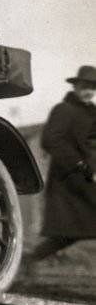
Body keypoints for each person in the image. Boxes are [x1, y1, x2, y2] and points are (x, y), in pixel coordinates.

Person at [25, 65, 96, 262]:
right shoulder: (63, 110)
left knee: (74, 231)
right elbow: (50, 140)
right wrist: (79, 164)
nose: (89, 91)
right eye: (85, 86)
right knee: (69, 232)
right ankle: (29, 260)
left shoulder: (93, 113)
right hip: (68, 180)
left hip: (88, 178)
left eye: (93, 87)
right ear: (76, 87)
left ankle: (30, 259)